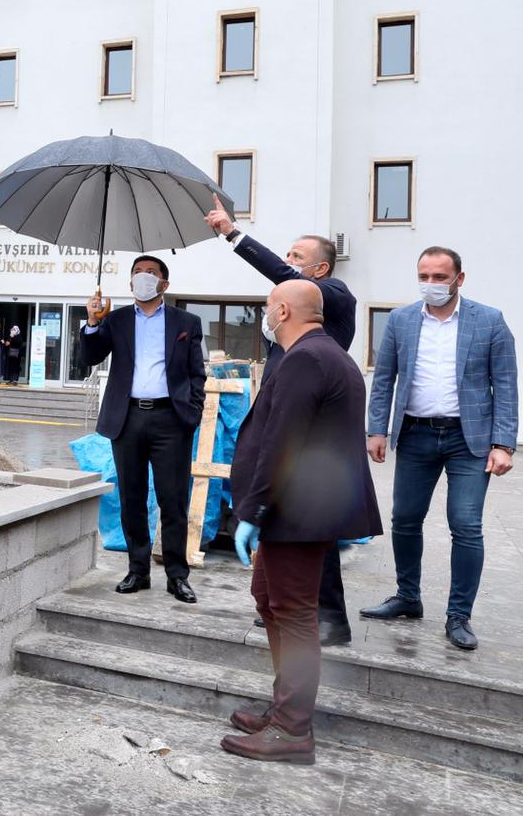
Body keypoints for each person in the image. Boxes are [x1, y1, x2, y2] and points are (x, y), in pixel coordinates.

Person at [222, 280, 382, 764]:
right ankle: (283, 708)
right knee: (269, 599)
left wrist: (253, 511)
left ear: (284, 311)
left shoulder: (307, 358)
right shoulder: (325, 354)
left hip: (296, 510)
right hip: (296, 509)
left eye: (268, 308)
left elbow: (281, 441)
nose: (265, 317)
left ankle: (292, 730)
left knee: (293, 612)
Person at [204, 205, 358, 647]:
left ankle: (327, 619)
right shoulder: (290, 328)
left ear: (320, 269)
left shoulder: (335, 295)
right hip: (287, 427)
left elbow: (285, 278)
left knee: (311, 535)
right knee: (288, 534)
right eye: (287, 255)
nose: (287, 262)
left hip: (308, 442)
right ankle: (284, 606)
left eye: (296, 256)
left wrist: (233, 234)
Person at [360, 247, 517, 651]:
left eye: (439, 277)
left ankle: (458, 615)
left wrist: (503, 443)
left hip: (469, 439)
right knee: (405, 519)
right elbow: (384, 378)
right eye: (424, 276)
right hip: (415, 435)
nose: (430, 284)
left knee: (465, 525)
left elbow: (505, 383)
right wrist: (376, 430)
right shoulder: (401, 320)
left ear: (459, 279)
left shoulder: (489, 320)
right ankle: (408, 597)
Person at [79, 255, 206, 603]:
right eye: (137, 272)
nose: (143, 278)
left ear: (164, 283)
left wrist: (192, 412)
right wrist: (92, 321)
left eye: (151, 273)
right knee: (131, 498)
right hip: (128, 418)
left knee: (173, 500)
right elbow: (89, 357)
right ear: (129, 282)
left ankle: (177, 576)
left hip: (171, 420)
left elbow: (197, 373)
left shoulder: (186, 322)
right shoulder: (117, 320)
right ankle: (138, 571)